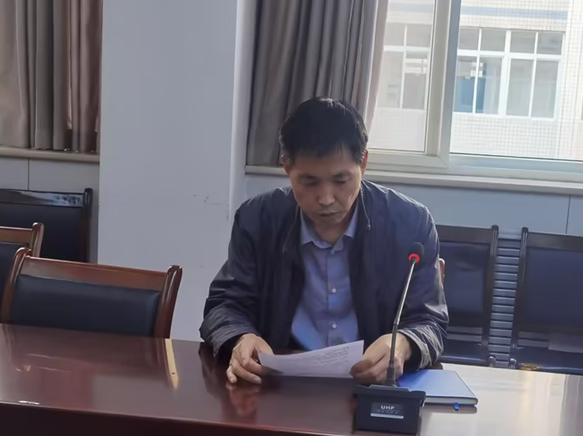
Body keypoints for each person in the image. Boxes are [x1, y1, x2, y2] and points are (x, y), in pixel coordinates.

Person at [200, 97, 448, 385]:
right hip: (278, 384)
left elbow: (430, 321)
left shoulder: (411, 224)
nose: (326, 198)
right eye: (310, 182)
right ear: (286, 167)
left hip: (372, 385)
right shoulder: (258, 219)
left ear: (363, 163)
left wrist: (402, 344)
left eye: (341, 181)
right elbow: (225, 304)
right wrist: (243, 337)